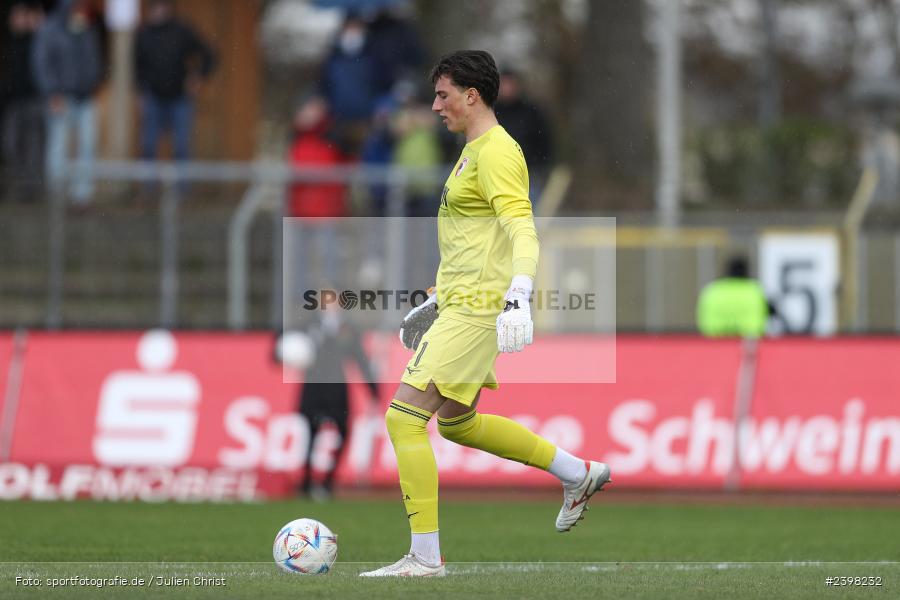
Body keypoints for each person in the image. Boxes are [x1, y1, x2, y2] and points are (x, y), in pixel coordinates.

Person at [359, 51, 610, 578]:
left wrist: (519, 293)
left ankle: (425, 557)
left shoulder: (496, 151)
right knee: (457, 424)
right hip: (460, 301)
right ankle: (576, 472)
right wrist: (437, 295)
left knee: (403, 419)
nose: (434, 106)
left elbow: (522, 227)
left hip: (478, 308)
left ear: (472, 95)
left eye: (443, 95)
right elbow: (475, 241)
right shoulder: (474, 150)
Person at [276, 304, 379, 500]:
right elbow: (285, 344)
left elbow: (360, 358)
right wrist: (279, 349)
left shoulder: (347, 328)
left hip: (337, 392)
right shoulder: (308, 324)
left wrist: (373, 388)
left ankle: (327, 482)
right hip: (313, 390)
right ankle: (306, 482)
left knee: (343, 433)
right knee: (310, 435)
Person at [32, 0, 103, 206]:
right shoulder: (50, 29)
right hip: (60, 98)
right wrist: (52, 92)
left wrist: (93, 82)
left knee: (88, 145)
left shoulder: (86, 28)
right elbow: (41, 63)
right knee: (58, 146)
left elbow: (93, 59)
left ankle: (82, 195)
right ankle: (57, 194)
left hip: (85, 97)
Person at [135, 0, 215, 162]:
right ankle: (148, 186)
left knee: (181, 147)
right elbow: (137, 67)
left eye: (161, 6)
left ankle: (181, 186)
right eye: (154, 7)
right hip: (153, 97)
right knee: (148, 146)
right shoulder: (144, 34)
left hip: (180, 98)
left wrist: (198, 76)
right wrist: (140, 93)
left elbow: (209, 54)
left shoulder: (182, 30)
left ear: (168, 8)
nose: (158, 11)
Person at [1, 1, 44, 202]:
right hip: (13, 101)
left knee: (33, 144)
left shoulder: (35, 40)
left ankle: (30, 188)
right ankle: (18, 181)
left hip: (33, 98)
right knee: (10, 142)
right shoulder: (8, 43)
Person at [493, 69, 553, 205]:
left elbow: (544, 140)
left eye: (510, 84)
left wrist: (540, 164)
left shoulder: (532, 111)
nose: (507, 89)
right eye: (504, 84)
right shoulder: (491, 111)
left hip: (529, 172)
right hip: (498, 173)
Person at [697, 255, 772, 337]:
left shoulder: (712, 291)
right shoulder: (755, 291)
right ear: (747, 272)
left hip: (715, 344)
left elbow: (703, 322)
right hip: (748, 344)